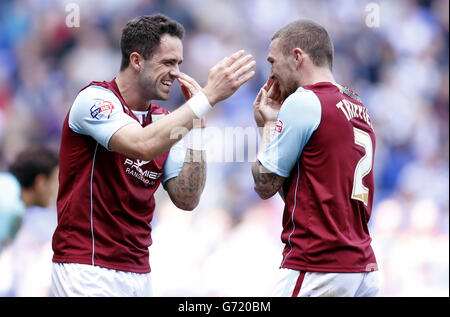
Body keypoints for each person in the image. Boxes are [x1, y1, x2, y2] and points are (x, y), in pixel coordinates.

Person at [51, 13, 255, 297]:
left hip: (139, 273)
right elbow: (142, 144)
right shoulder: (95, 100)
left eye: (179, 64)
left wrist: (196, 129)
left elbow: (187, 198)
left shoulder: (163, 120)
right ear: (136, 61)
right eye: (168, 62)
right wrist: (206, 98)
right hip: (87, 266)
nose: (176, 73)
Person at [251, 19, 380, 297]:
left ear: (297, 57)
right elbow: (310, 193)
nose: (271, 74)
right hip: (362, 268)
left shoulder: (305, 100)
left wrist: (266, 127)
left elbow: (264, 183)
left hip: (318, 263)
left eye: (273, 61)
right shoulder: (359, 107)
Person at [2, 145, 58, 296]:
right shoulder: (11, 208)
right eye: (54, 182)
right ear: (40, 182)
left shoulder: (7, 191)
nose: (56, 190)